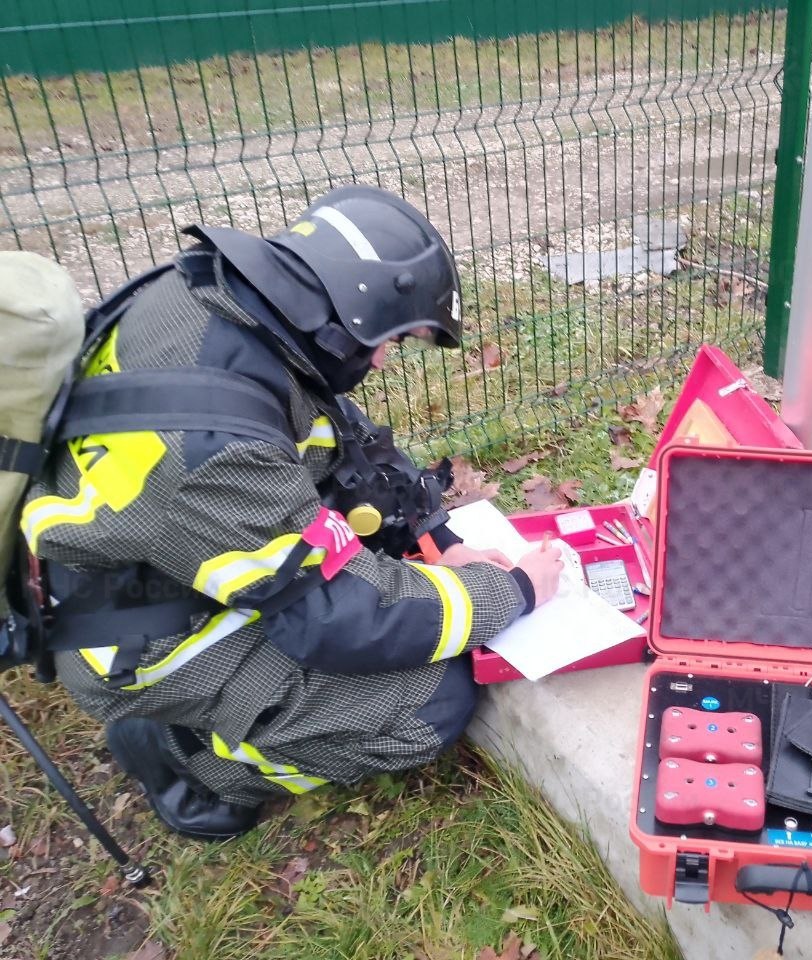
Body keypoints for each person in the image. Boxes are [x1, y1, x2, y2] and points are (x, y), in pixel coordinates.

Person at [20, 185, 563, 840]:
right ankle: (186, 757)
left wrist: (436, 537)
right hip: (147, 637)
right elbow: (338, 620)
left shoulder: (220, 303)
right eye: (387, 340)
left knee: (389, 579)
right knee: (430, 704)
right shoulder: (217, 451)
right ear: (341, 313)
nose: (383, 358)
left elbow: (342, 438)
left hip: (168, 557)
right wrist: (511, 592)